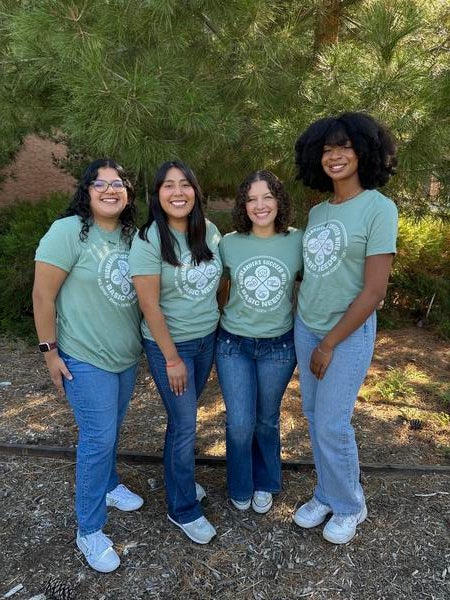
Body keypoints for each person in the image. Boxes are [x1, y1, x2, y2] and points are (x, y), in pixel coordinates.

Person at [33, 159, 143, 572]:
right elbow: (42, 297)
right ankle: (90, 530)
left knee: (112, 428)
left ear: (128, 193)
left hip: (124, 356)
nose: (110, 190)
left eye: (119, 183)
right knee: (98, 439)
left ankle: (111, 484)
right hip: (83, 357)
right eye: (101, 184)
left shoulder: (134, 237)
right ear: (87, 190)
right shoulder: (67, 232)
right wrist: (50, 354)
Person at [292, 112, 398, 544]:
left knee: (333, 423)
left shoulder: (378, 208)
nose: (334, 156)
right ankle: (327, 492)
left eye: (344, 147)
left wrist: (329, 343)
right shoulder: (318, 212)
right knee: (315, 417)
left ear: (364, 152)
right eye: (327, 149)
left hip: (346, 335)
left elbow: (373, 292)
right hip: (307, 326)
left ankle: (351, 505)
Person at [129, 160, 222, 544]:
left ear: (196, 192)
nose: (178, 192)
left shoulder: (210, 231)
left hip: (207, 339)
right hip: (171, 346)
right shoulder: (150, 239)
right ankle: (182, 507)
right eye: (169, 186)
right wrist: (171, 358)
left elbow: (221, 281)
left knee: (183, 422)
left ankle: (179, 481)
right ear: (158, 195)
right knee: (184, 425)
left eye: (185, 184)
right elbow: (149, 306)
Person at [215, 170, 303, 514]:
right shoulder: (229, 243)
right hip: (232, 345)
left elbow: (324, 277)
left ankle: (265, 480)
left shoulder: (298, 240)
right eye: (251, 199)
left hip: (279, 347)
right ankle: (240, 482)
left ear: (279, 201)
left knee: (266, 418)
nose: (259, 205)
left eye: (267, 196)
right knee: (239, 421)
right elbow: (213, 285)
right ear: (243, 205)